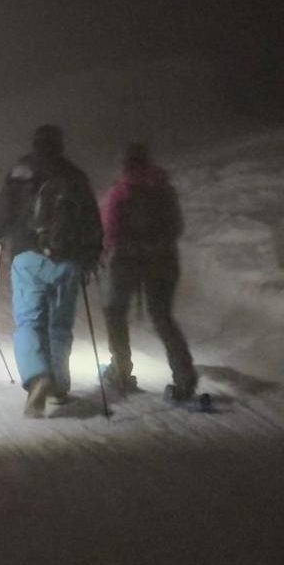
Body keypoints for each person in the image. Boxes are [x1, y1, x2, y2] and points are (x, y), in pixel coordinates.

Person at [0, 124, 103, 418]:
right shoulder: (75, 176)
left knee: (29, 321)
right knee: (60, 325)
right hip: (67, 259)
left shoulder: (21, 172)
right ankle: (59, 386)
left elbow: (0, 216)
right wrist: (90, 255)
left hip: (27, 255)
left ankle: (37, 376)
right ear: (60, 145)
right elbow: (91, 219)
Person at [99, 142, 197, 399]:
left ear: (124, 164)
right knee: (162, 317)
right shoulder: (164, 188)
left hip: (127, 261)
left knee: (115, 312)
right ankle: (184, 376)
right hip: (163, 260)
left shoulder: (120, 192)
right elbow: (177, 227)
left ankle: (121, 369)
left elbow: (110, 230)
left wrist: (105, 252)